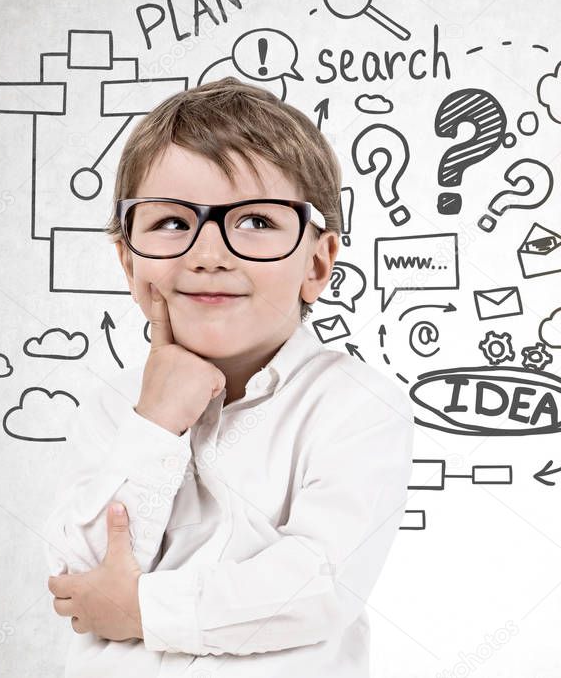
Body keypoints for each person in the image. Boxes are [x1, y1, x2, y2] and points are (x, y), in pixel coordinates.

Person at [42, 76, 415, 677]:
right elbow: (78, 576)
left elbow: (315, 588)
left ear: (317, 264)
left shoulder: (358, 405)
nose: (209, 254)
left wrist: (141, 610)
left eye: (257, 223)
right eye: (170, 223)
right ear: (127, 258)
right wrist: (157, 423)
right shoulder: (114, 409)